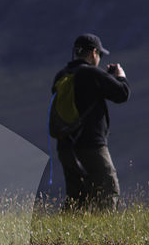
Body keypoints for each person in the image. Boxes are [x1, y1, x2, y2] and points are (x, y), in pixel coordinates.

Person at [53, 33, 130, 211]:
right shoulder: (92, 74)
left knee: (77, 196)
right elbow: (122, 93)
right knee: (108, 189)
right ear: (94, 53)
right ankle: (104, 235)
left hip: (66, 146)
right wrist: (120, 76)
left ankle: (65, 234)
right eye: (100, 55)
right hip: (91, 146)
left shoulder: (62, 75)